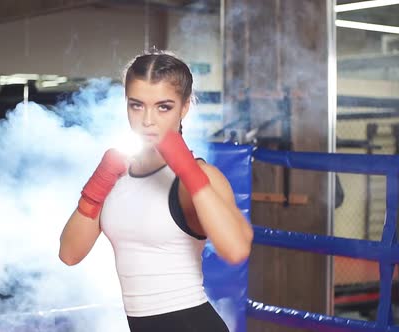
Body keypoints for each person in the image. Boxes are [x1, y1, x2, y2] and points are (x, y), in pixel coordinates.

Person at [59, 50, 253, 332]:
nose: (147, 120)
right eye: (137, 105)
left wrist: (188, 171)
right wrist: (97, 187)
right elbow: (69, 254)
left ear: (185, 107)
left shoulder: (201, 176)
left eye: (164, 107)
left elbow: (236, 249)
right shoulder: (116, 174)